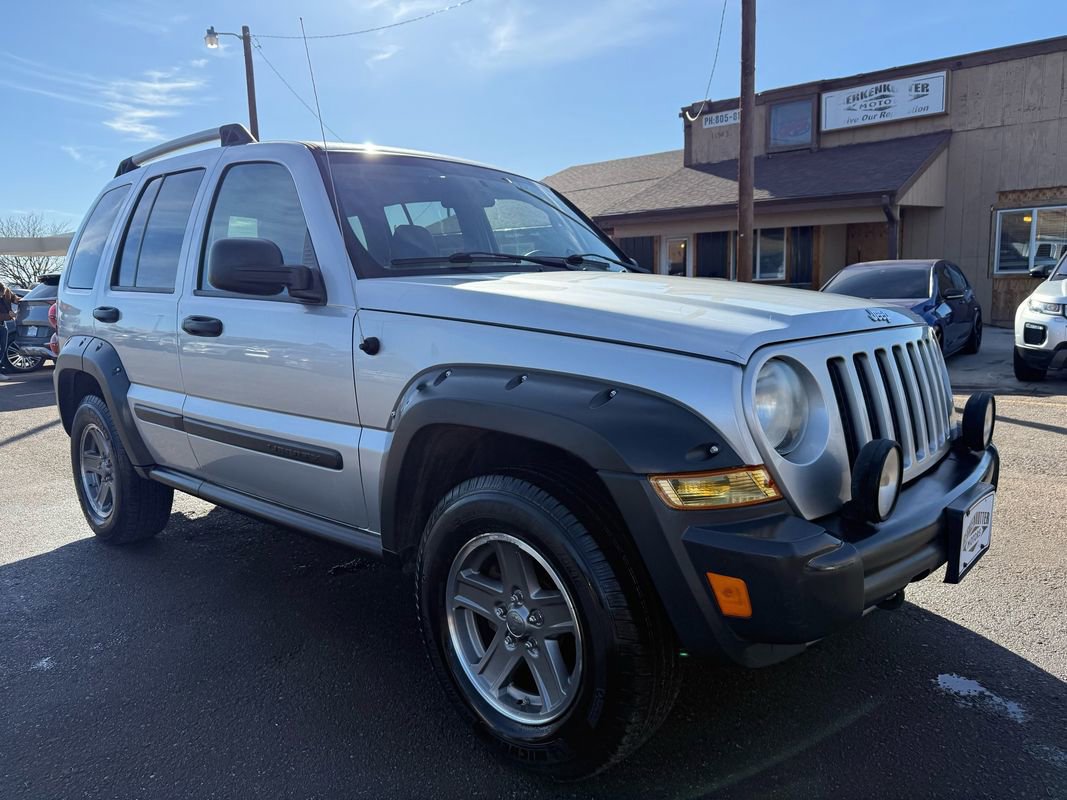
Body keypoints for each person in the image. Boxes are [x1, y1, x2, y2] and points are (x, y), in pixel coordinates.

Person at [0, 281, 18, 381]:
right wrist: (9, 316)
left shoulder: (7, 292)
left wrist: (18, 300)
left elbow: (15, 298)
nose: (1, 296)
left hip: (3, 326)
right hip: (3, 322)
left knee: (2, 349)